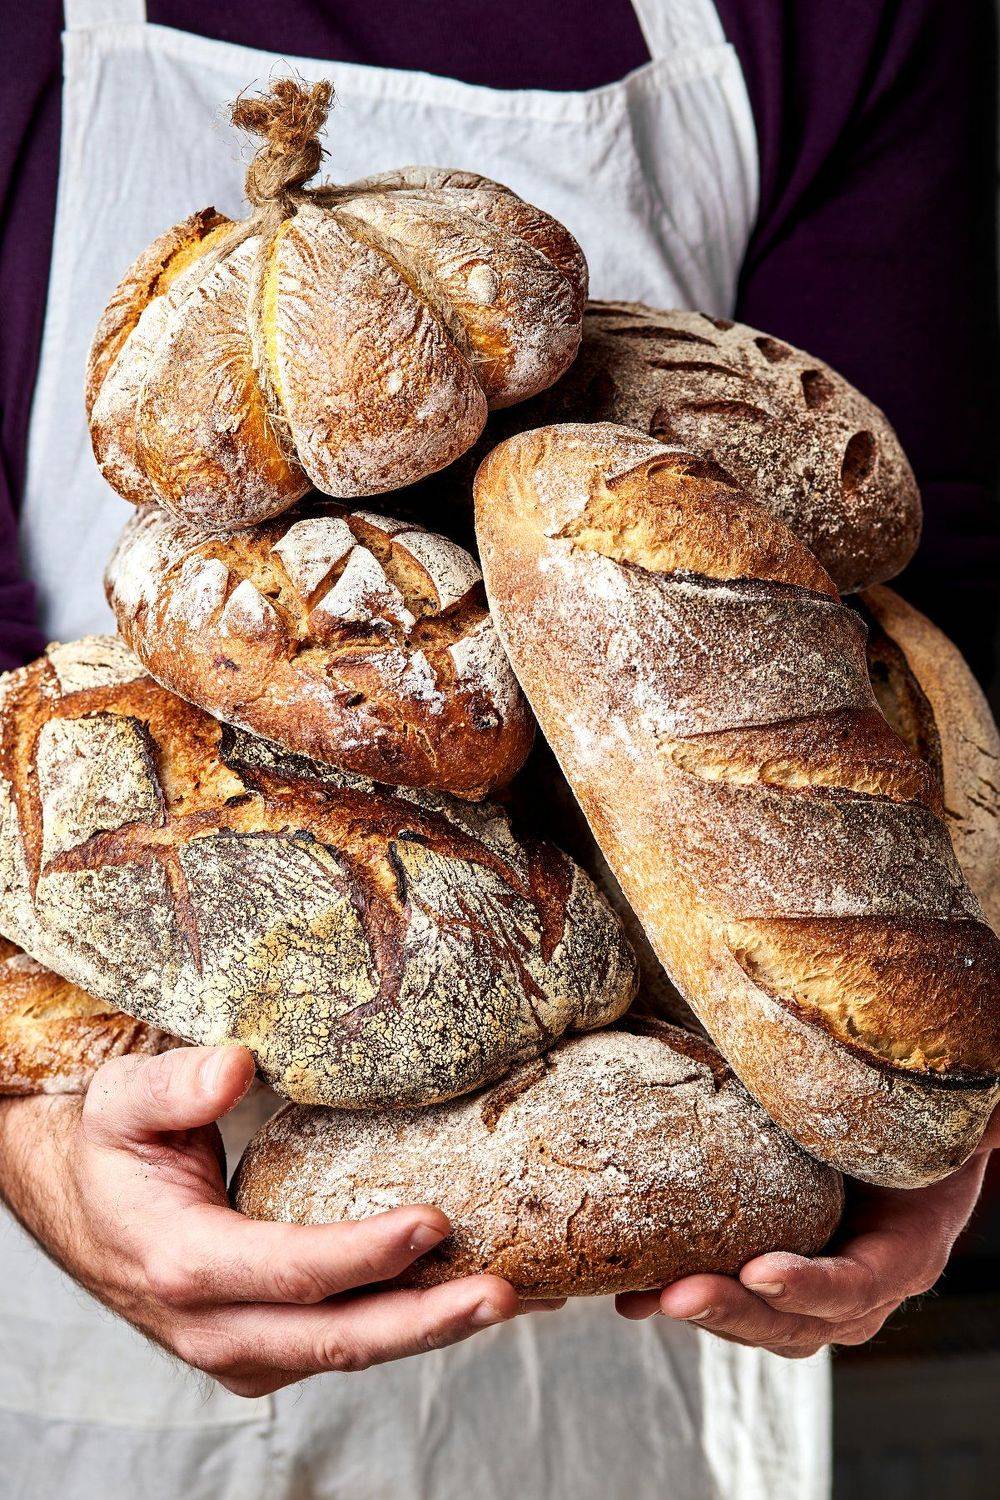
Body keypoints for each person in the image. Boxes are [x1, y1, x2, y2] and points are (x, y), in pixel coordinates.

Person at [0, 3, 997, 1498]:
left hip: (702, 1276)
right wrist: (32, 1130)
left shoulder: (840, 19)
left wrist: (952, 1119)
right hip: (144, 1228)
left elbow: (918, 600)